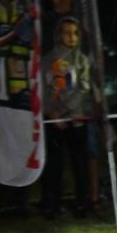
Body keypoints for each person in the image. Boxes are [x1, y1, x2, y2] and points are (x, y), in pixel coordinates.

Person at [41, 17, 94, 219]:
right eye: (67, 32)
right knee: (54, 164)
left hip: (76, 119)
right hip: (53, 120)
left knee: (79, 163)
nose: (71, 37)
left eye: (75, 33)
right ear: (58, 35)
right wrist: (52, 112)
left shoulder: (82, 60)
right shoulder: (47, 60)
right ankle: (52, 204)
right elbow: (43, 89)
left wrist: (67, 114)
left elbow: (84, 89)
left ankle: (82, 203)